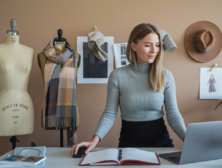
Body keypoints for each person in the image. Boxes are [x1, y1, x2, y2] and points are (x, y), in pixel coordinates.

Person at [71, 23, 187, 155]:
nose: (154, 50)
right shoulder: (117, 75)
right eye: (148, 45)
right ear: (134, 46)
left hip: (161, 145)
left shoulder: (166, 76)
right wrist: (94, 141)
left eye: (157, 45)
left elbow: (173, 115)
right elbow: (109, 114)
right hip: (128, 145)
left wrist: (189, 139)